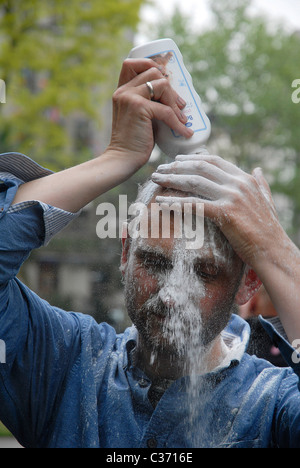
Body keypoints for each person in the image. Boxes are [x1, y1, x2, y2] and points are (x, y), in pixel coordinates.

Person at [0, 57, 300, 449]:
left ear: (249, 283)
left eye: (205, 272)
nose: (172, 295)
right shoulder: (64, 364)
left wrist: (278, 252)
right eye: (155, 262)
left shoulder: (274, 405)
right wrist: (117, 157)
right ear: (126, 253)